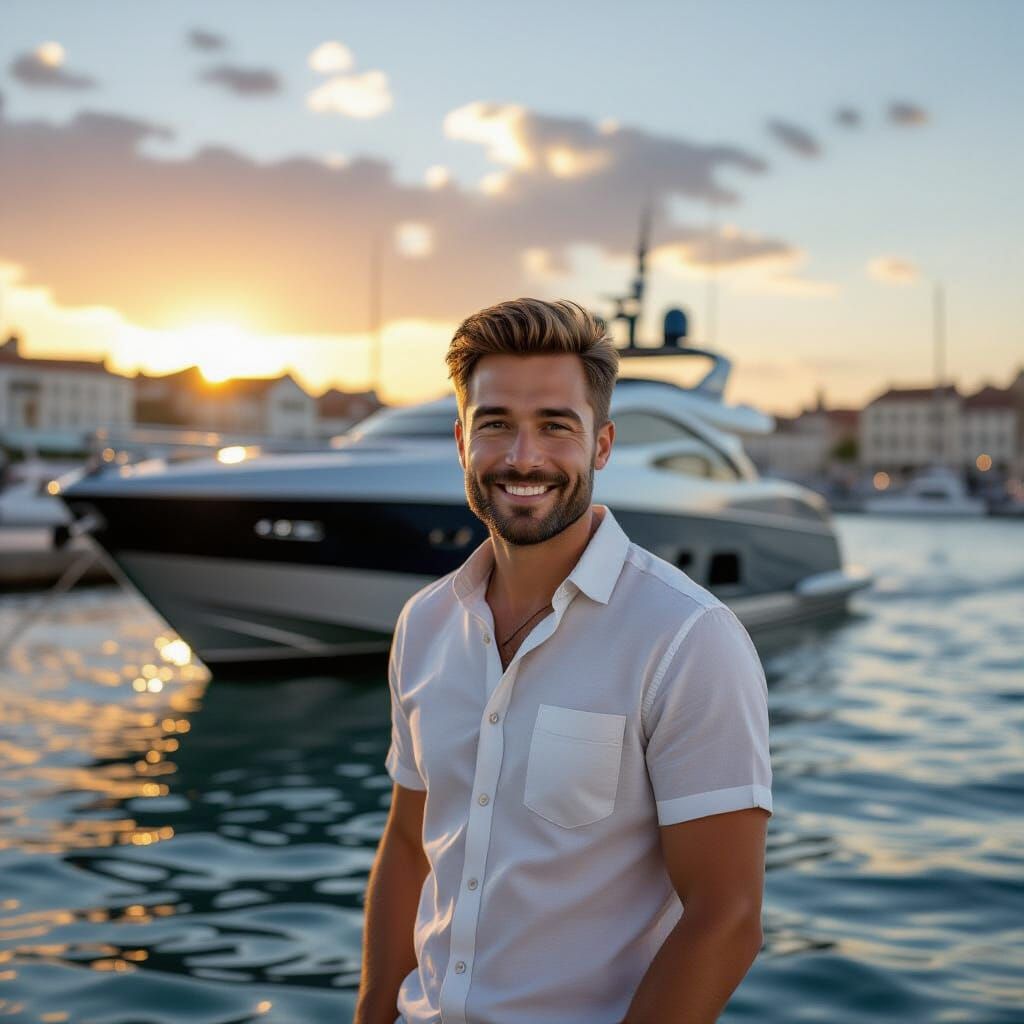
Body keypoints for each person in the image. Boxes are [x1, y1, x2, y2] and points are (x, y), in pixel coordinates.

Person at [354, 298, 772, 1024]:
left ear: (601, 445)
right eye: (496, 426)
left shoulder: (687, 637)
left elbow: (726, 916)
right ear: (461, 442)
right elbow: (408, 848)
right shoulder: (424, 624)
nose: (523, 458)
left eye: (555, 426)